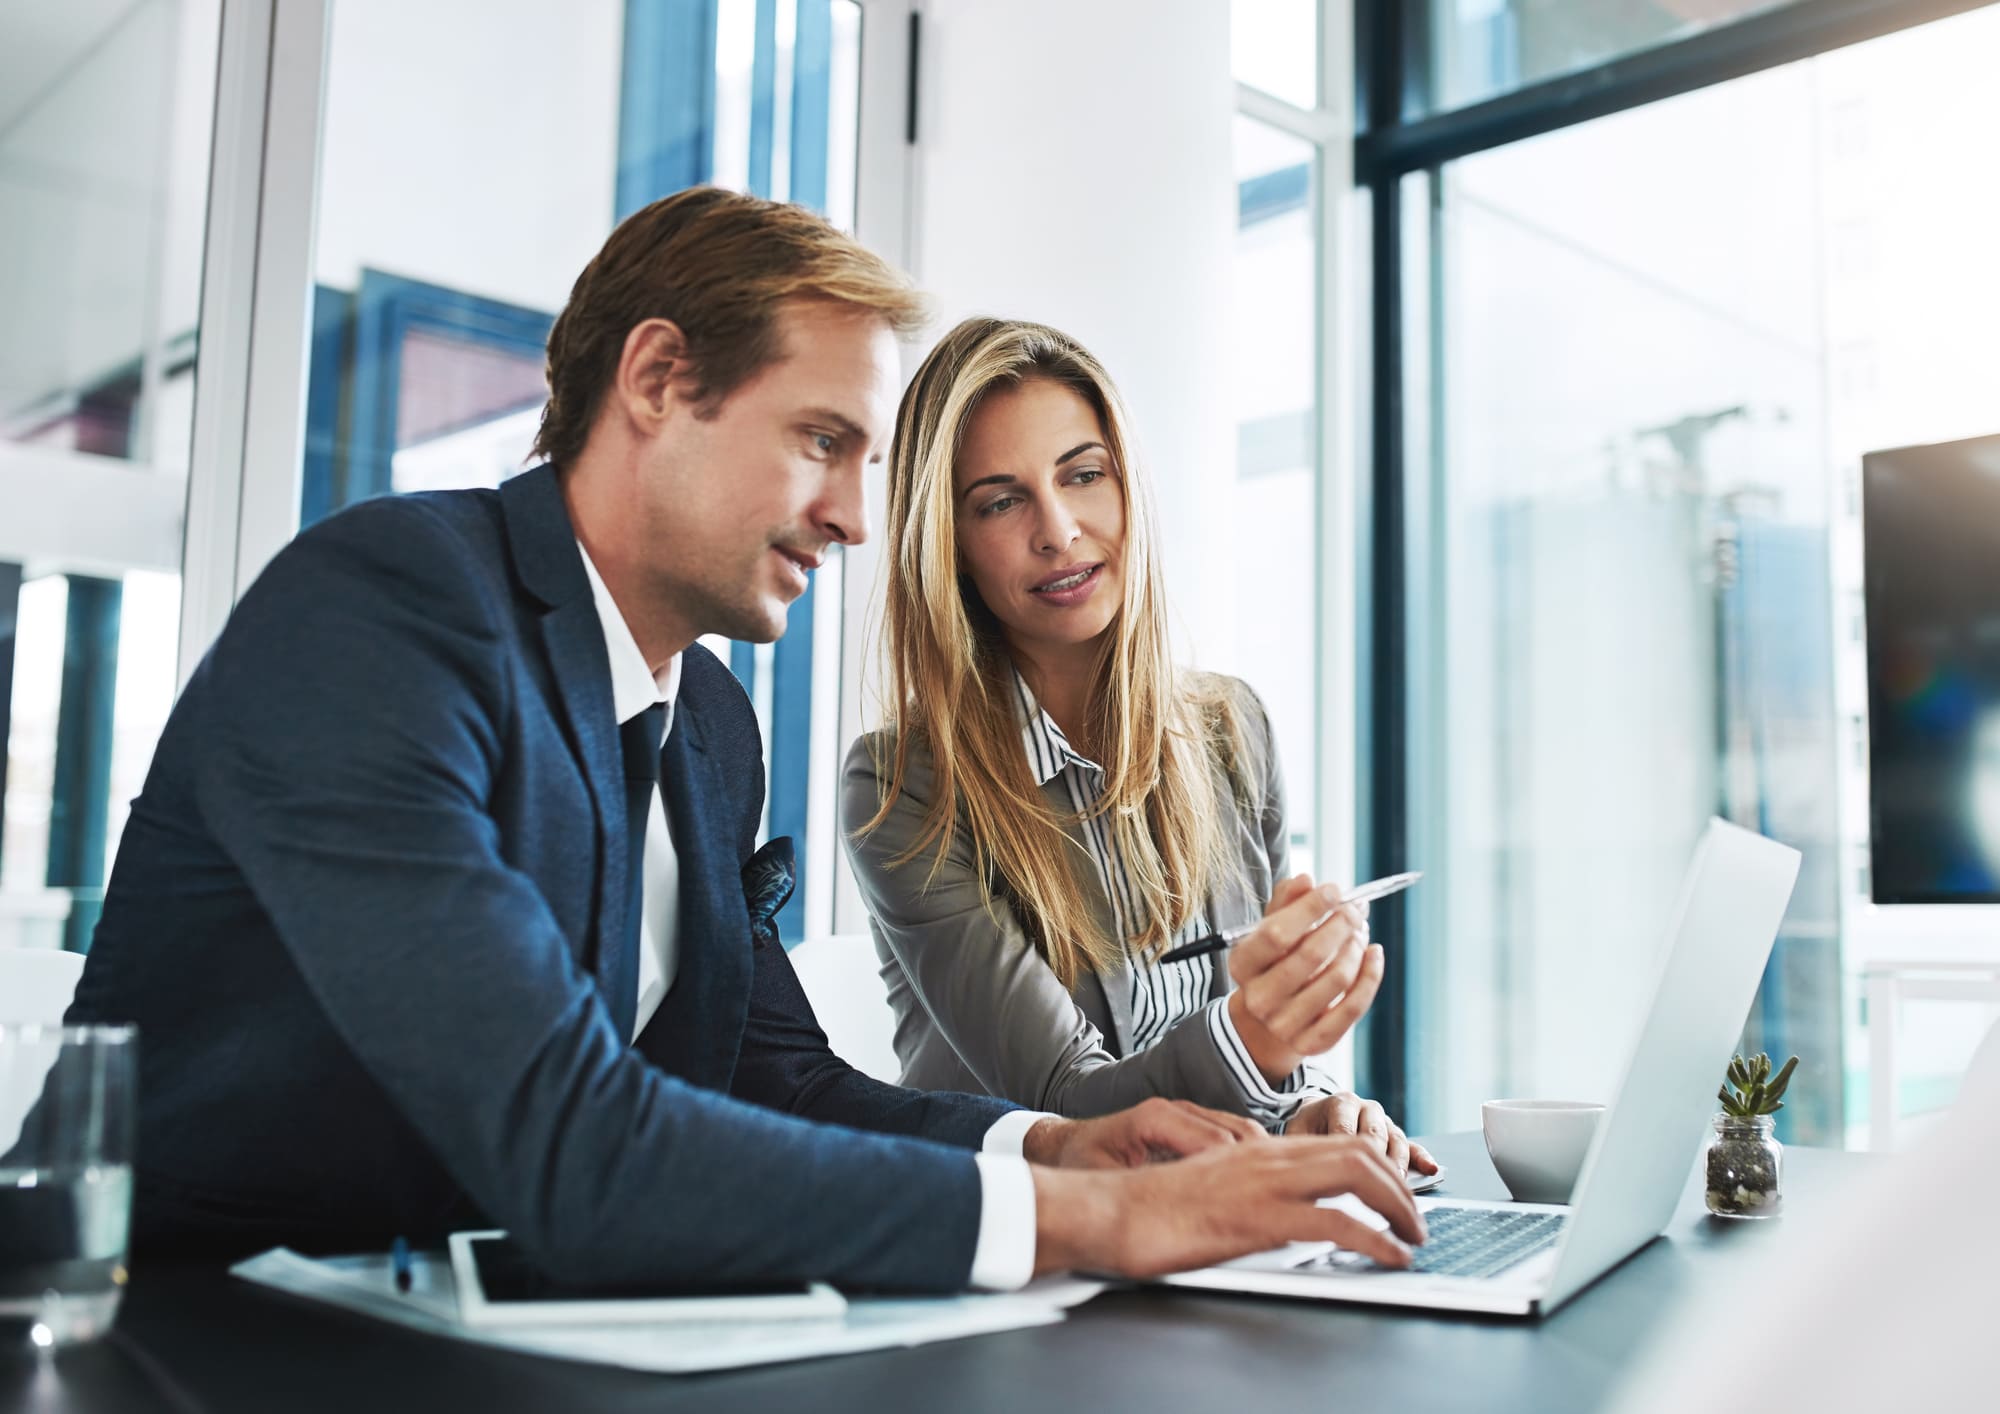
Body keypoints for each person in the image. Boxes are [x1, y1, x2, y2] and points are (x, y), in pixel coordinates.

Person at [65, 189, 1423, 1293]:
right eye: (820, 442)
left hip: (492, 1325)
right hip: (184, 1331)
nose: (849, 516)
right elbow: (568, 1132)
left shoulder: (707, 724)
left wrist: (1063, 1145)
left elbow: (778, 1075)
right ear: (657, 379)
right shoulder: (389, 608)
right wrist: (1089, 1225)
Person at [841, 317, 1430, 1175]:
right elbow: (1071, 1112)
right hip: (1044, 1246)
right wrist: (1257, 1039)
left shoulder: (1234, 729)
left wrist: (1311, 1104)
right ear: (951, 546)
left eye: (1083, 476)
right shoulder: (901, 786)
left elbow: (1255, 1071)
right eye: (1001, 501)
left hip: (1220, 1221)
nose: (1059, 531)